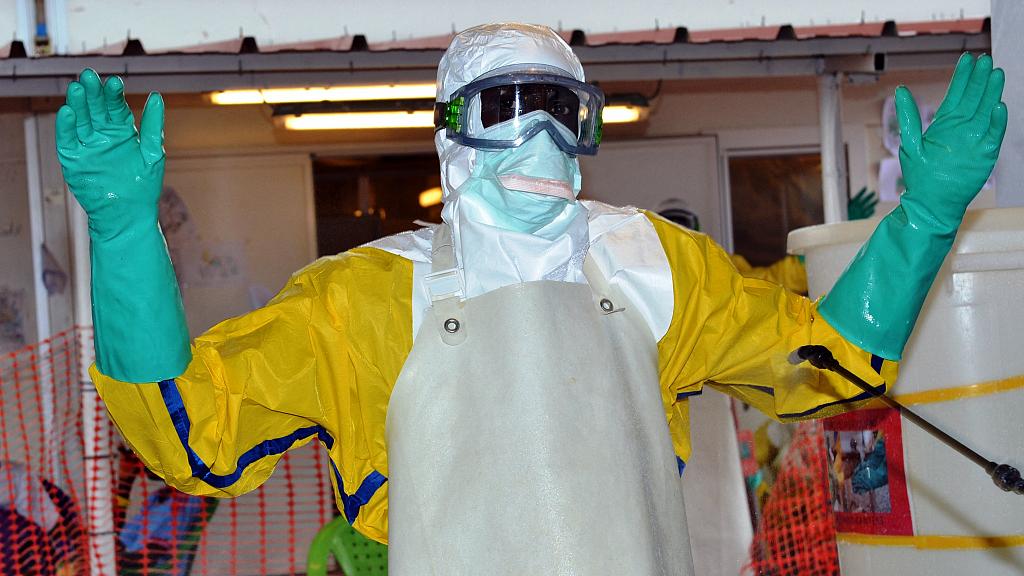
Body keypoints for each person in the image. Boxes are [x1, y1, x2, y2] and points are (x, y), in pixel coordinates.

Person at [54, 23, 1005, 575]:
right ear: (453, 132)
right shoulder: (365, 300)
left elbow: (828, 365)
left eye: (568, 110)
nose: (544, 138)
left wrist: (926, 217)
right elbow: (188, 436)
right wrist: (124, 233)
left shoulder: (653, 267)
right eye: (511, 107)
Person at [660, 187, 879, 295]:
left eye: (681, 224)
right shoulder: (643, 270)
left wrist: (825, 242)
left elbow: (765, 284)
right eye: (668, 225)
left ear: (695, 228)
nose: (677, 233)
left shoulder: (714, 265)